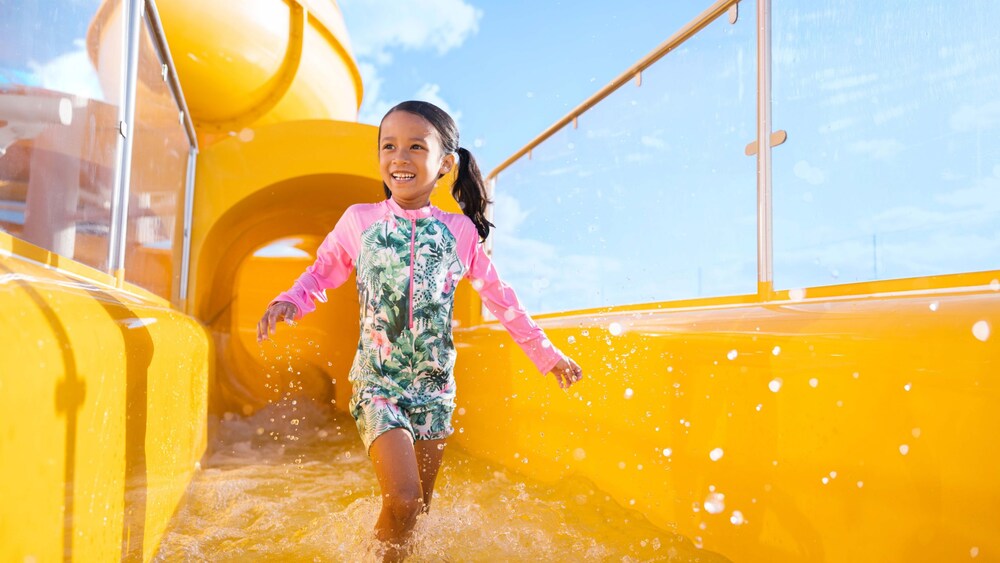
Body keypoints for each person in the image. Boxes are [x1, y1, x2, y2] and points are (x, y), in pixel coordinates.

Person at [256, 100, 583, 561]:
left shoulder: (460, 233)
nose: (399, 157)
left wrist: (547, 354)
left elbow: (502, 300)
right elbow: (323, 270)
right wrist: (291, 299)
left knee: (418, 511)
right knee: (404, 501)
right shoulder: (360, 221)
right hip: (378, 384)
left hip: (434, 391)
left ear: (445, 163)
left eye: (415, 146)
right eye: (389, 146)